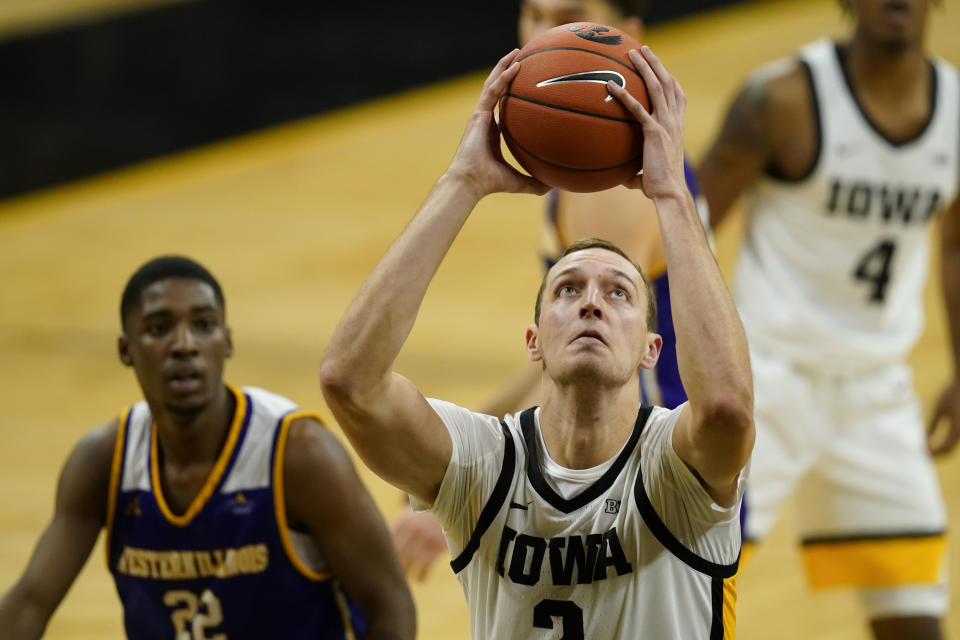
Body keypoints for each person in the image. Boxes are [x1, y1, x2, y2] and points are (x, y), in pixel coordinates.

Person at [321, 46, 753, 639]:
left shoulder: (674, 472)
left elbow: (727, 408)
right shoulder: (484, 465)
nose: (592, 301)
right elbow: (350, 382)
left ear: (654, 349)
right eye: (568, 289)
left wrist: (673, 195)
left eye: (620, 293)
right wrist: (463, 181)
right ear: (534, 342)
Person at [389, 0, 711, 580]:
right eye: (533, 16)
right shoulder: (620, 152)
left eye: (568, 16)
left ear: (628, 36)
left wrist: (459, 478)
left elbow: (593, 355)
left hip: (646, 475)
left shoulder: (608, 184)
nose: (545, 36)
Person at [697, 0, 959, 638]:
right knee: (691, 594)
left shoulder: (956, 112)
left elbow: (956, 246)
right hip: (765, 385)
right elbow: (688, 234)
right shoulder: (778, 101)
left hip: (876, 391)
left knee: (917, 615)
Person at [0, 256, 415, 640]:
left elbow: (391, 607)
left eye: (203, 325)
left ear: (227, 342)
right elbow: (31, 602)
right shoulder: (103, 462)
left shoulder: (299, 456)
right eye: (159, 329)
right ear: (126, 350)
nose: (184, 345)